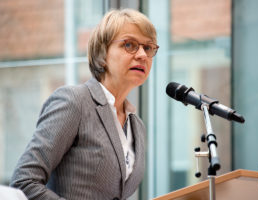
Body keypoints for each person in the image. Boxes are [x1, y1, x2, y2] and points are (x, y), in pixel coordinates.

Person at [10, 8, 158, 200]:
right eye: (129, 45)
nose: (142, 55)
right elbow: (24, 182)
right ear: (103, 54)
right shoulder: (74, 102)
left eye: (148, 48)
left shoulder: (137, 126)